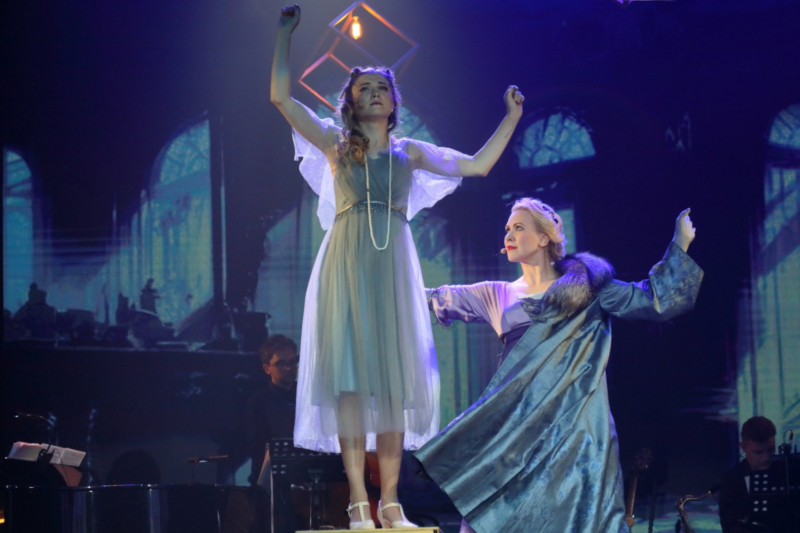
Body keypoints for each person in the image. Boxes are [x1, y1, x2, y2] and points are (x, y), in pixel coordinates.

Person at [270, 4, 524, 528]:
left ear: (393, 103)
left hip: (393, 269)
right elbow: (280, 98)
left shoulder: (410, 153)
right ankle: (357, 502)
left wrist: (512, 118)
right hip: (346, 264)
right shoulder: (337, 145)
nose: (373, 93)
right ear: (349, 103)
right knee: (349, 383)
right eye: (362, 88)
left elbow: (477, 165)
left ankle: (390, 502)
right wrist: (284, 35)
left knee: (392, 388)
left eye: (381, 88)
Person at [413, 198, 703, 533]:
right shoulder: (496, 294)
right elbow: (425, 298)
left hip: (577, 434)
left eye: (519, 227)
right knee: (493, 517)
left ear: (543, 237)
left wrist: (680, 243)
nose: (509, 234)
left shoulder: (591, 289)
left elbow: (654, 299)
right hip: (518, 432)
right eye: (507, 228)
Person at [246, 334, 299, 487]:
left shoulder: (306, 396)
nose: (288, 368)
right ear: (267, 369)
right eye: (281, 363)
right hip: (273, 481)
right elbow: (257, 448)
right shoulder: (258, 402)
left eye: (292, 362)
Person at [718, 416, 785, 533]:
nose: (766, 458)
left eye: (770, 450)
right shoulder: (732, 480)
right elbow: (729, 525)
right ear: (743, 447)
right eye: (758, 452)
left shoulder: (786, 470)